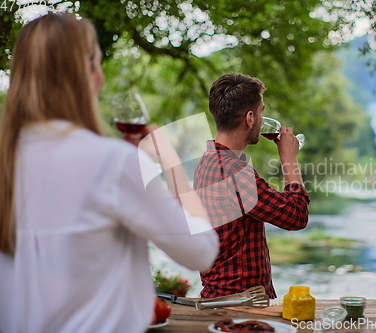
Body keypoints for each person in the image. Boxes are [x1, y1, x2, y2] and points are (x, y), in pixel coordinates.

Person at [0, 13, 218, 333]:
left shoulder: (9, 159)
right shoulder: (113, 163)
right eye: (98, 63)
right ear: (86, 72)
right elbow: (202, 252)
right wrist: (169, 162)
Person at [193, 73, 310, 299]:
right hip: (240, 306)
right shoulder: (235, 172)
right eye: (261, 112)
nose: (261, 118)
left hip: (218, 299)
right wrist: (289, 159)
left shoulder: (208, 161)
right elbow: (297, 215)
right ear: (250, 118)